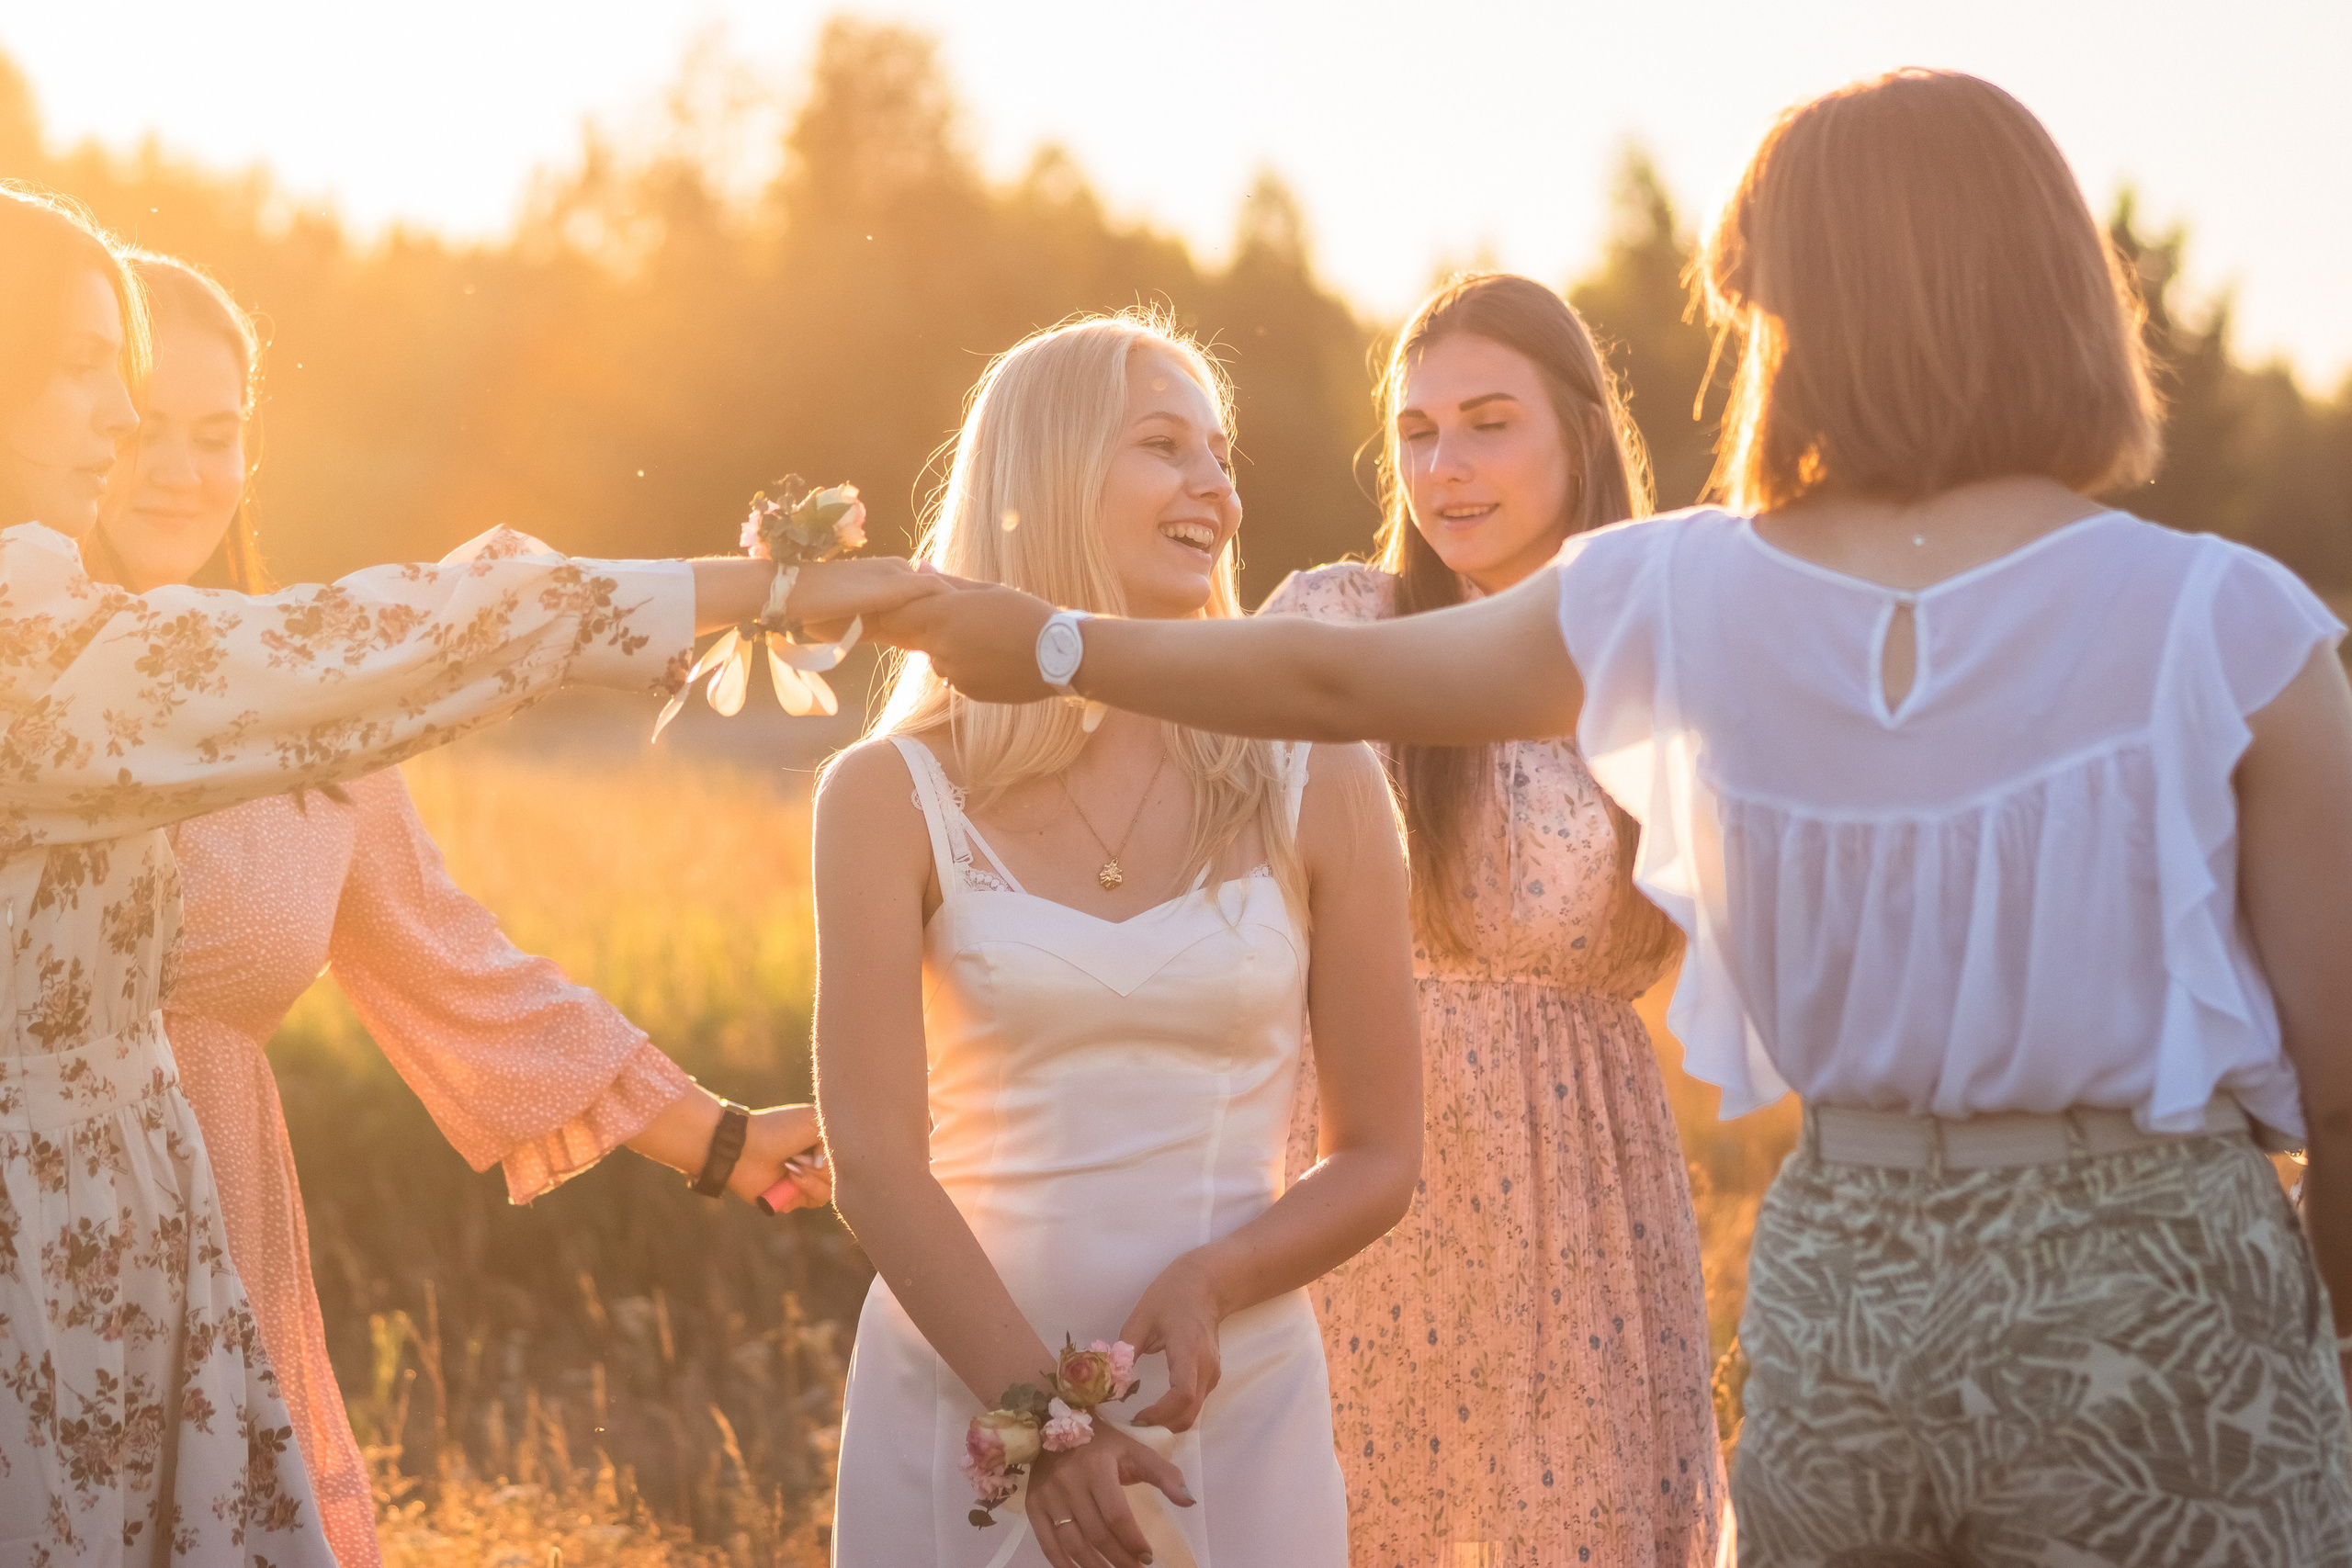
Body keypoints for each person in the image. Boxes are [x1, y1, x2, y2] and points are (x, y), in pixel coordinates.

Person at [877, 70, 2352, 1562]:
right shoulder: (2233, 622)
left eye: (1760, 313)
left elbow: (1327, 683)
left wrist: (1051, 642)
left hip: (1857, 1267)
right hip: (2139, 1268)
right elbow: (2347, 1090)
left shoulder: (1695, 587)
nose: (1748, 349)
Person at [0, 184, 932, 1563]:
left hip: (187, 1243)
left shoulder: (317, 735)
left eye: (213, 430)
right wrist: (747, 594)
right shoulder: (63, 656)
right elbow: (389, 638)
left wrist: (720, 1138)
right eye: (109, 384)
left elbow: (463, 975)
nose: (156, 451)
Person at [816, 312, 1422, 1568]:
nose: (1219, 488)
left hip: (1231, 1405)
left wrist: (1214, 1279)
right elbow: (873, 1163)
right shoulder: (886, 794)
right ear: (1044, 479)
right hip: (962, 1401)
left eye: (1221, 453)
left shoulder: (1318, 777)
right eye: (1165, 447)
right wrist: (1040, 1424)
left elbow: (1378, 1156)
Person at [1259, 272, 1720, 1566]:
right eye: (1416, 432)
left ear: (1582, 431)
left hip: (1588, 1198)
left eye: (1488, 422)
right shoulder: (1341, 622)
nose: (1445, 467)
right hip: (1350, 1168)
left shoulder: (1672, 650)